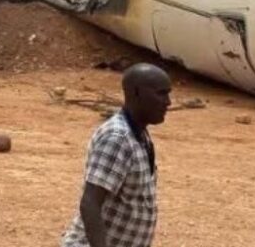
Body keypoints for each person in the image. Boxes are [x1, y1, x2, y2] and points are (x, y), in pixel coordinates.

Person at [60, 63, 172, 247]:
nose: (168, 102)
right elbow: (90, 203)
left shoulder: (139, 134)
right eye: (161, 93)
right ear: (137, 93)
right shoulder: (117, 138)